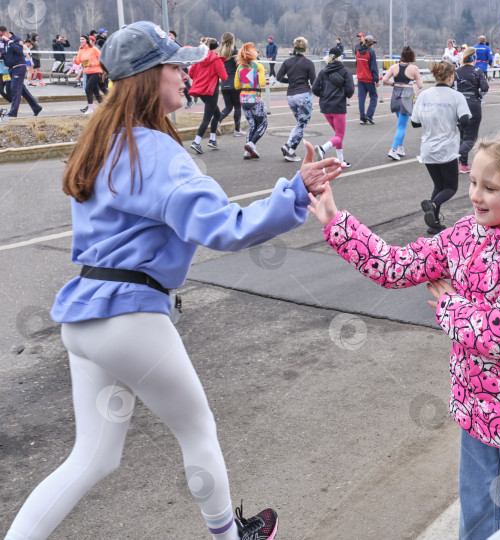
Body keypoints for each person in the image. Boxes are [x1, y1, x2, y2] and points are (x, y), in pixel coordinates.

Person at [2, 21, 346, 540]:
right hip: (131, 318)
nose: (187, 73)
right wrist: (295, 192)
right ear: (147, 77)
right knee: (197, 431)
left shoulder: (103, 143)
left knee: (91, 458)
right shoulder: (157, 152)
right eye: (175, 65)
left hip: (84, 318)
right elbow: (227, 229)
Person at [307, 130, 500, 540]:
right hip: (477, 409)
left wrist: (451, 307)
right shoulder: (467, 234)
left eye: (490, 188)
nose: (474, 195)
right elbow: (396, 266)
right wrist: (334, 220)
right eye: (472, 182)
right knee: (478, 517)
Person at [410, 60, 470, 234]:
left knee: (439, 185)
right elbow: (466, 120)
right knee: (451, 187)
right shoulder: (456, 96)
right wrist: (455, 125)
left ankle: (433, 223)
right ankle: (433, 205)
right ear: (451, 76)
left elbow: (414, 123)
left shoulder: (424, 95)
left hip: (428, 149)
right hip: (447, 149)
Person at [312, 46, 355, 166]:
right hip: (338, 107)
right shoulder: (345, 71)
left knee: (337, 135)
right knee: (339, 135)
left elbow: (315, 88)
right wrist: (344, 95)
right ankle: (322, 148)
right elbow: (350, 90)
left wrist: (324, 95)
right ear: (340, 57)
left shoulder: (323, 71)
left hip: (326, 108)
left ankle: (340, 160)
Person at [277, 36, 316, 162]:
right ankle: (290, 149)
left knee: (300, 123)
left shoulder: (287, 62)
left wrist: (290, 81)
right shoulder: (309, 63)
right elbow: (313, 82)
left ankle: (288, 145)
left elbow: (278, 77)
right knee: (303, 123)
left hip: (291, 96)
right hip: (303, 94)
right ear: (305, 48)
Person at [381, 45, 423, 161]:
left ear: (401, 56)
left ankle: (400, 147)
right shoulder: (414, 68)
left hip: (395, 96)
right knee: (401, 126)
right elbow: (420, 85)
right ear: (412, 56)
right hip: (406, 96)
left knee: (401, 123)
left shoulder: (394, 67)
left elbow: (384, 80)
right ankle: (393, 150)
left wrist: (393, 84)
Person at [188, 37, 226, 154]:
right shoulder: (216, 60)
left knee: (217, 114)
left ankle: (212, 139)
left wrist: (200, 79)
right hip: (211, 91)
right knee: (207, 117)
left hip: (201, 91)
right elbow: (224, 76)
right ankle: (196, 142)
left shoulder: (200, 58)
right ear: (216, 48)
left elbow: (190, 73)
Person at [454, 47, 488, 174]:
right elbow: (484, 89)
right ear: (474, 58)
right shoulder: (478, 71)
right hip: (473, 102)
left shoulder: (456, 71)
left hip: (459, 103)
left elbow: (453, 88)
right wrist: (478, 93)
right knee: (471, 137)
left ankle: (463, 164)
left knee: (462, 135)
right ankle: (456, 158)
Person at [0, 26, 42, 118]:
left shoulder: (16, 39)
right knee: (22, 90)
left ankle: (13, 112)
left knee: (14, 89)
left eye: (1, 35)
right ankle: (37, 108)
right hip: (10, 68)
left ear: (5, 33)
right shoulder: (1, 42)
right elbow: (3, 54)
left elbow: (19, 50)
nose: (0, 38)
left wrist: (8, 41)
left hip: (19, 67)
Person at [234, 42, 267, 159]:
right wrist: (262, 74)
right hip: (255, 98)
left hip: (243, 98)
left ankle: (247, 152)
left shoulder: (239, 67)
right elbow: (262, 83)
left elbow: (237, 86)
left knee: (252, 125)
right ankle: (251, 144)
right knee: (263, 123)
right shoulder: (259, 66)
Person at [218, 32, 246, 138]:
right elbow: (240, 67)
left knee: (228, 107)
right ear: (232, 40)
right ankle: (237, 130)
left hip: (224, 83)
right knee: (238, 107)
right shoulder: (235, 52)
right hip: (234, 83)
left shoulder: (220, 52)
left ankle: (218, 120)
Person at [74, 34, 104, 114]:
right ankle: (104, 108)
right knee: (96, 92)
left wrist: (93, 64)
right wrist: (74, 60)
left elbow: (101, 59)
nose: (81, 41)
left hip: (96, 72)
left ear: (87, 40)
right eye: (80, 39)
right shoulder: (81, 49)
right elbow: (78, 61)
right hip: (88, 72)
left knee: (88, 89)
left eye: (83, 39)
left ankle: (90, 109)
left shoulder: (93, 49)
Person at [355, 35, 379, 124]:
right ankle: (369, 115)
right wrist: (376, 79)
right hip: (368, 79)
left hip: (360, 78)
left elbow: (357, 64)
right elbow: (373, 67)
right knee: (374, 97)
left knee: (361, 98)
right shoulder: (371, 52)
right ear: (371, 43)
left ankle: (362, 118)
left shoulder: (358, 51)